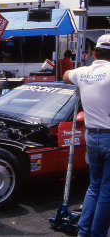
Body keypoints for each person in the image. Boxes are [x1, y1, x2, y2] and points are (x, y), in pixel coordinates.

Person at [63, 34, 110, 237]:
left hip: (92, 136)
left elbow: (65, 75)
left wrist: (82, 74)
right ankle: (97, 234)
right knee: (107, 189)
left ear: (94, 53)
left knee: (94, 185)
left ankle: (84, 232)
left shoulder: (83, 72)